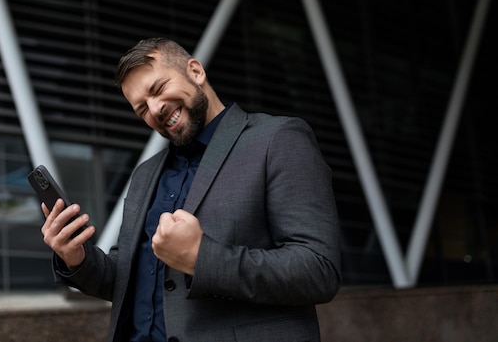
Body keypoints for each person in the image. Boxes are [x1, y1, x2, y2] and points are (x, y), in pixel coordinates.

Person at [41, 37, 341, 342]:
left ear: (196, 71)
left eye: (158, 89)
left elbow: (319, 269)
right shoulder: (146, 173)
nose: (155, 109)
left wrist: (202, 258)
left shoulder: (278, 139)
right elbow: (133, 278)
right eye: (141, 108)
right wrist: (76, 257)